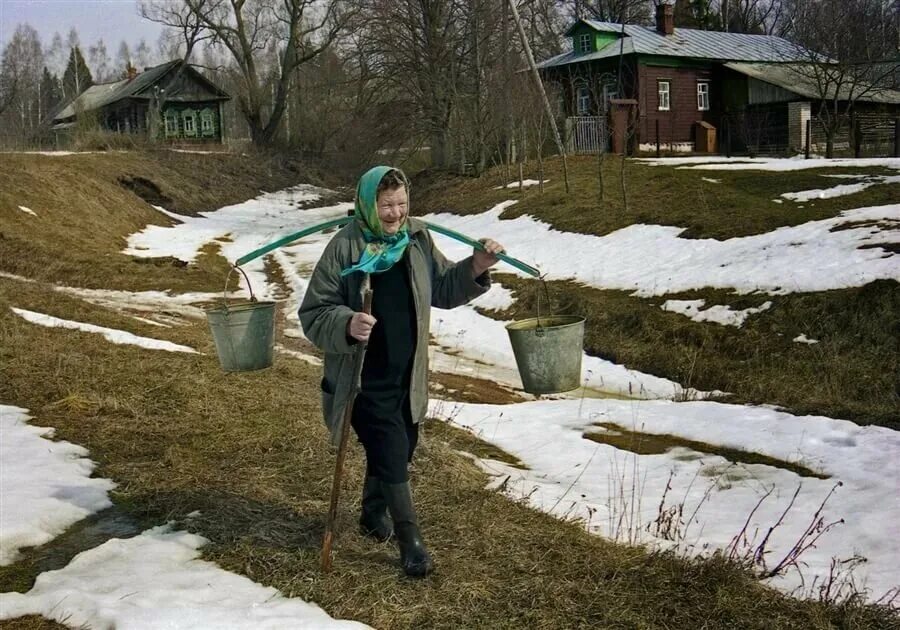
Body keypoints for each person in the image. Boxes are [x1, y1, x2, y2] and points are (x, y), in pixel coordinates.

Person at [299, 165, 504, 577]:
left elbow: (444, 287)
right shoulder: (346, 246)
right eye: (386, 204)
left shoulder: (417, 240)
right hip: (362, 379)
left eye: (401, 204)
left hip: (407, 375)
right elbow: (313, 311)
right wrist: (346, 323)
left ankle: (372, 513)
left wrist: (476, 266)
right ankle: (411, 543)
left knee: (403, 444)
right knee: (391, 451)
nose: (394, 214)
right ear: (368, 203)